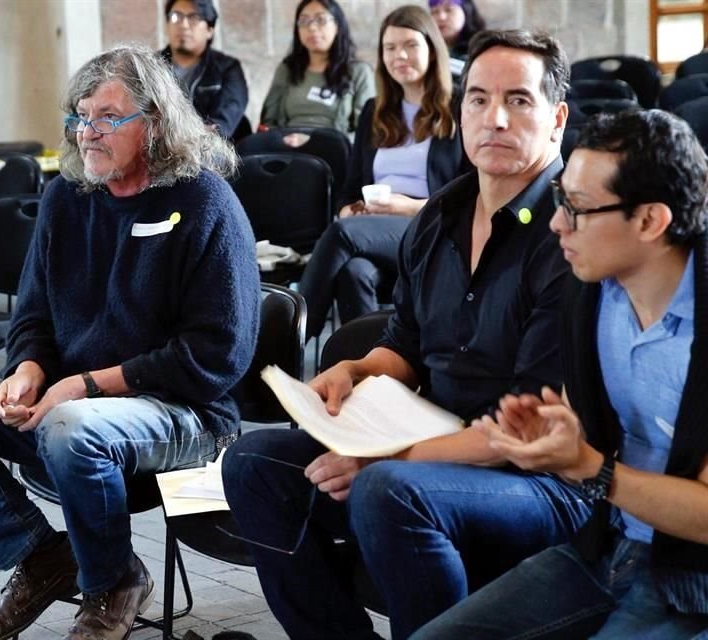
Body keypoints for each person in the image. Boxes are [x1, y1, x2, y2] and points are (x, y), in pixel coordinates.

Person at [223, 30, 593, 639]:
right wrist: (360, 370)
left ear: (556, 119)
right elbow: (408, 344)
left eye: (518, 101)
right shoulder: (440, 216)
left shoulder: (570, 235)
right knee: (254, 461)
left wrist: (380, 458)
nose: (494, 118)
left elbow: (527, 432)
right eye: (477, 99)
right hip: (431, 441)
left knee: (390, 490)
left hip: (543, 478)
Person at [0, 45, 260, 640]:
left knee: (71, 428)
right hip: (72, 406)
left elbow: (216, 355)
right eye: (80, 116)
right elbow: (32, 313)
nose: (88, 132)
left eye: (107, 118)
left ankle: (112, 581)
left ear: (156, 123)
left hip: (186, 412)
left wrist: (84, 387)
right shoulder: (68, 197)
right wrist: (29, 371)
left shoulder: (203, 201)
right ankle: (42, 556)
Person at [412, 110, 708, 639]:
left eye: (579, 209)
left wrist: (592, 468)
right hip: (605, 546)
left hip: (693, 580)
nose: (555, 223)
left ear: (650, 221)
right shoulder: (589, 288)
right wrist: (553, 430)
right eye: (559, 199)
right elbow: (589, 418)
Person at [297, 4, 469, 339]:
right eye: (390, 48)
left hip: (434, 227)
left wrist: (406, 207)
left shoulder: (460, 106)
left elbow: (470, 194)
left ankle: (286, 340)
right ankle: (368, 377)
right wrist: (350, 208)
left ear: (432, 50)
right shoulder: (374, 111)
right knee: (355, 273)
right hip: (375, 230)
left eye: (410, 45)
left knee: (341, 234)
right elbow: (351, 189)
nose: (399, 55)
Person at [260, 0, 375, 135]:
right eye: (304, 21)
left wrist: (315, 142)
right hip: (288, 150)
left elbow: (367, 133)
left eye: (321, 20)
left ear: (338, 25)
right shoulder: (287, 69)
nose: (312, 27)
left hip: (336, 150)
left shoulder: (359, 72)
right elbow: (268, 122)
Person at [159, 0, 249, 139]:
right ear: (166, 25)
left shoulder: (228, 69)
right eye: (176, 16)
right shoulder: (150, 67)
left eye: (194, 18)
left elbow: (225, 120)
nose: (183, 25)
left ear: (209, 30)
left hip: (209, 150)